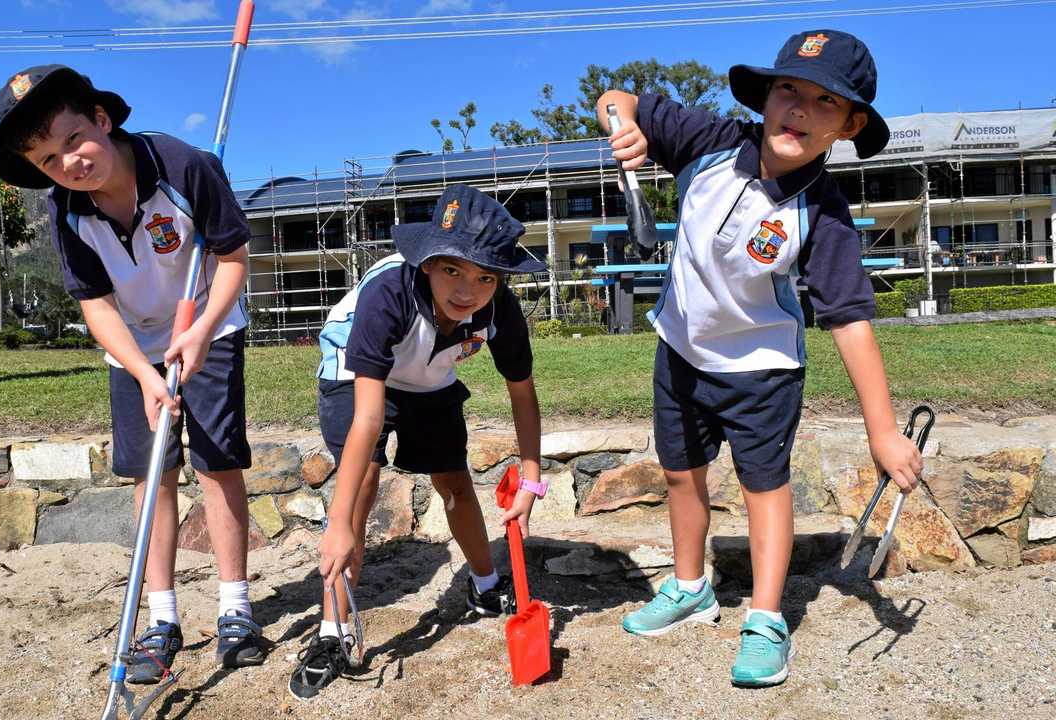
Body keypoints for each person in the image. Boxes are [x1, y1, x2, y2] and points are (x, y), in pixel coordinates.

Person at [598, 30, 924, 688]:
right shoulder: (712, 142)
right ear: (766, 96)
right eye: (788, 89)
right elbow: (615, 97)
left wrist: (883, 430)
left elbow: (851, 322)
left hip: (762, 372)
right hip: (680, 351)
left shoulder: (824, 215)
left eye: (825, 102)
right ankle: (691, 588)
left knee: (763, 490)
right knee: (683, 476)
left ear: (850, 125)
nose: (799, 108)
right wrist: (625, 128)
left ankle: (768, 619)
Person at [0, 65, 264, 681]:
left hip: (210, 321)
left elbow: (234, 257)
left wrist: (197, 332)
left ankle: (235, 608)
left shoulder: (184, 166)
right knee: (151, 473)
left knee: (218, 464)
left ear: (102, 121)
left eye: (74, 141)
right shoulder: (67, 211)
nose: (70, 164)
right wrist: (142, 372)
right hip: (133, 343)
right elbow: (95, 303)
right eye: (50, 161)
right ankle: (161, 619)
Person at [289, 184, 547, 699]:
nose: (467, 290)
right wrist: (337, 524)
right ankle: (332, 632)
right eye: (452, 269)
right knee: (360, 483)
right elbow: (367, 417)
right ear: (427, 261)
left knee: (454, 478)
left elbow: (522, 394)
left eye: (485, 277)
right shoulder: (387, 295)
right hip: (356, 374)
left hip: (431, 379)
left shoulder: (501, 313)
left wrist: (533, 478)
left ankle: (486, 585)